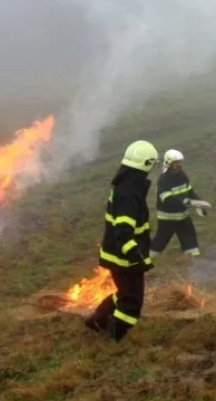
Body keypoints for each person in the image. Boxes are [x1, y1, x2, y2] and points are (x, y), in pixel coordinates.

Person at [85, 140, 158, 342]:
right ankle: (114, 336)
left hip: (117, 254)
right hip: (124, 258)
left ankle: (97, 320)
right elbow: (124, 232)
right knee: (132, 302)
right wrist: (137, 258)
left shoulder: (125, 184)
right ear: (147, 164)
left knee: (125, 292)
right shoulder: (130, 193)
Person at [150, 149, 212, 258]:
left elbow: (189, 191)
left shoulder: (182, 175)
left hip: (183, 216)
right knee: (161, 240)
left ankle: (193, 257)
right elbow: (166, 197)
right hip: (167, 218)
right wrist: (186, 202)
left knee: (189, 237)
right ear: (169, 163)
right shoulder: (164, 179)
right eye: (176, 163)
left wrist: (199, 203)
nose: (179, 165)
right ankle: (150, 259)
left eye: (179, 162)